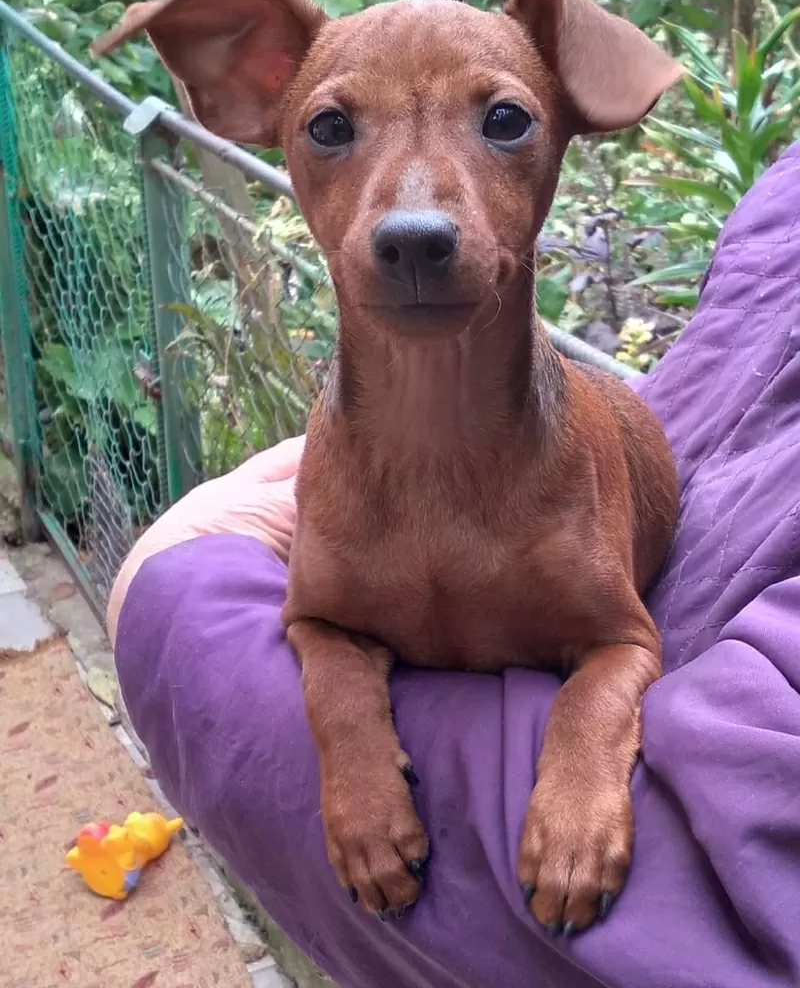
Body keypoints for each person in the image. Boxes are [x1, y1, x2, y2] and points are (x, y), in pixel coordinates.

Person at [110, 140, 800, 988]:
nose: (415, 220)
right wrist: (347, 735)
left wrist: (583, 759)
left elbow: (621, 644)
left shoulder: (575, 463)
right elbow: (318, 621)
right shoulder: (332, 482)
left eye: (503, 120)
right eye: (332, 128)